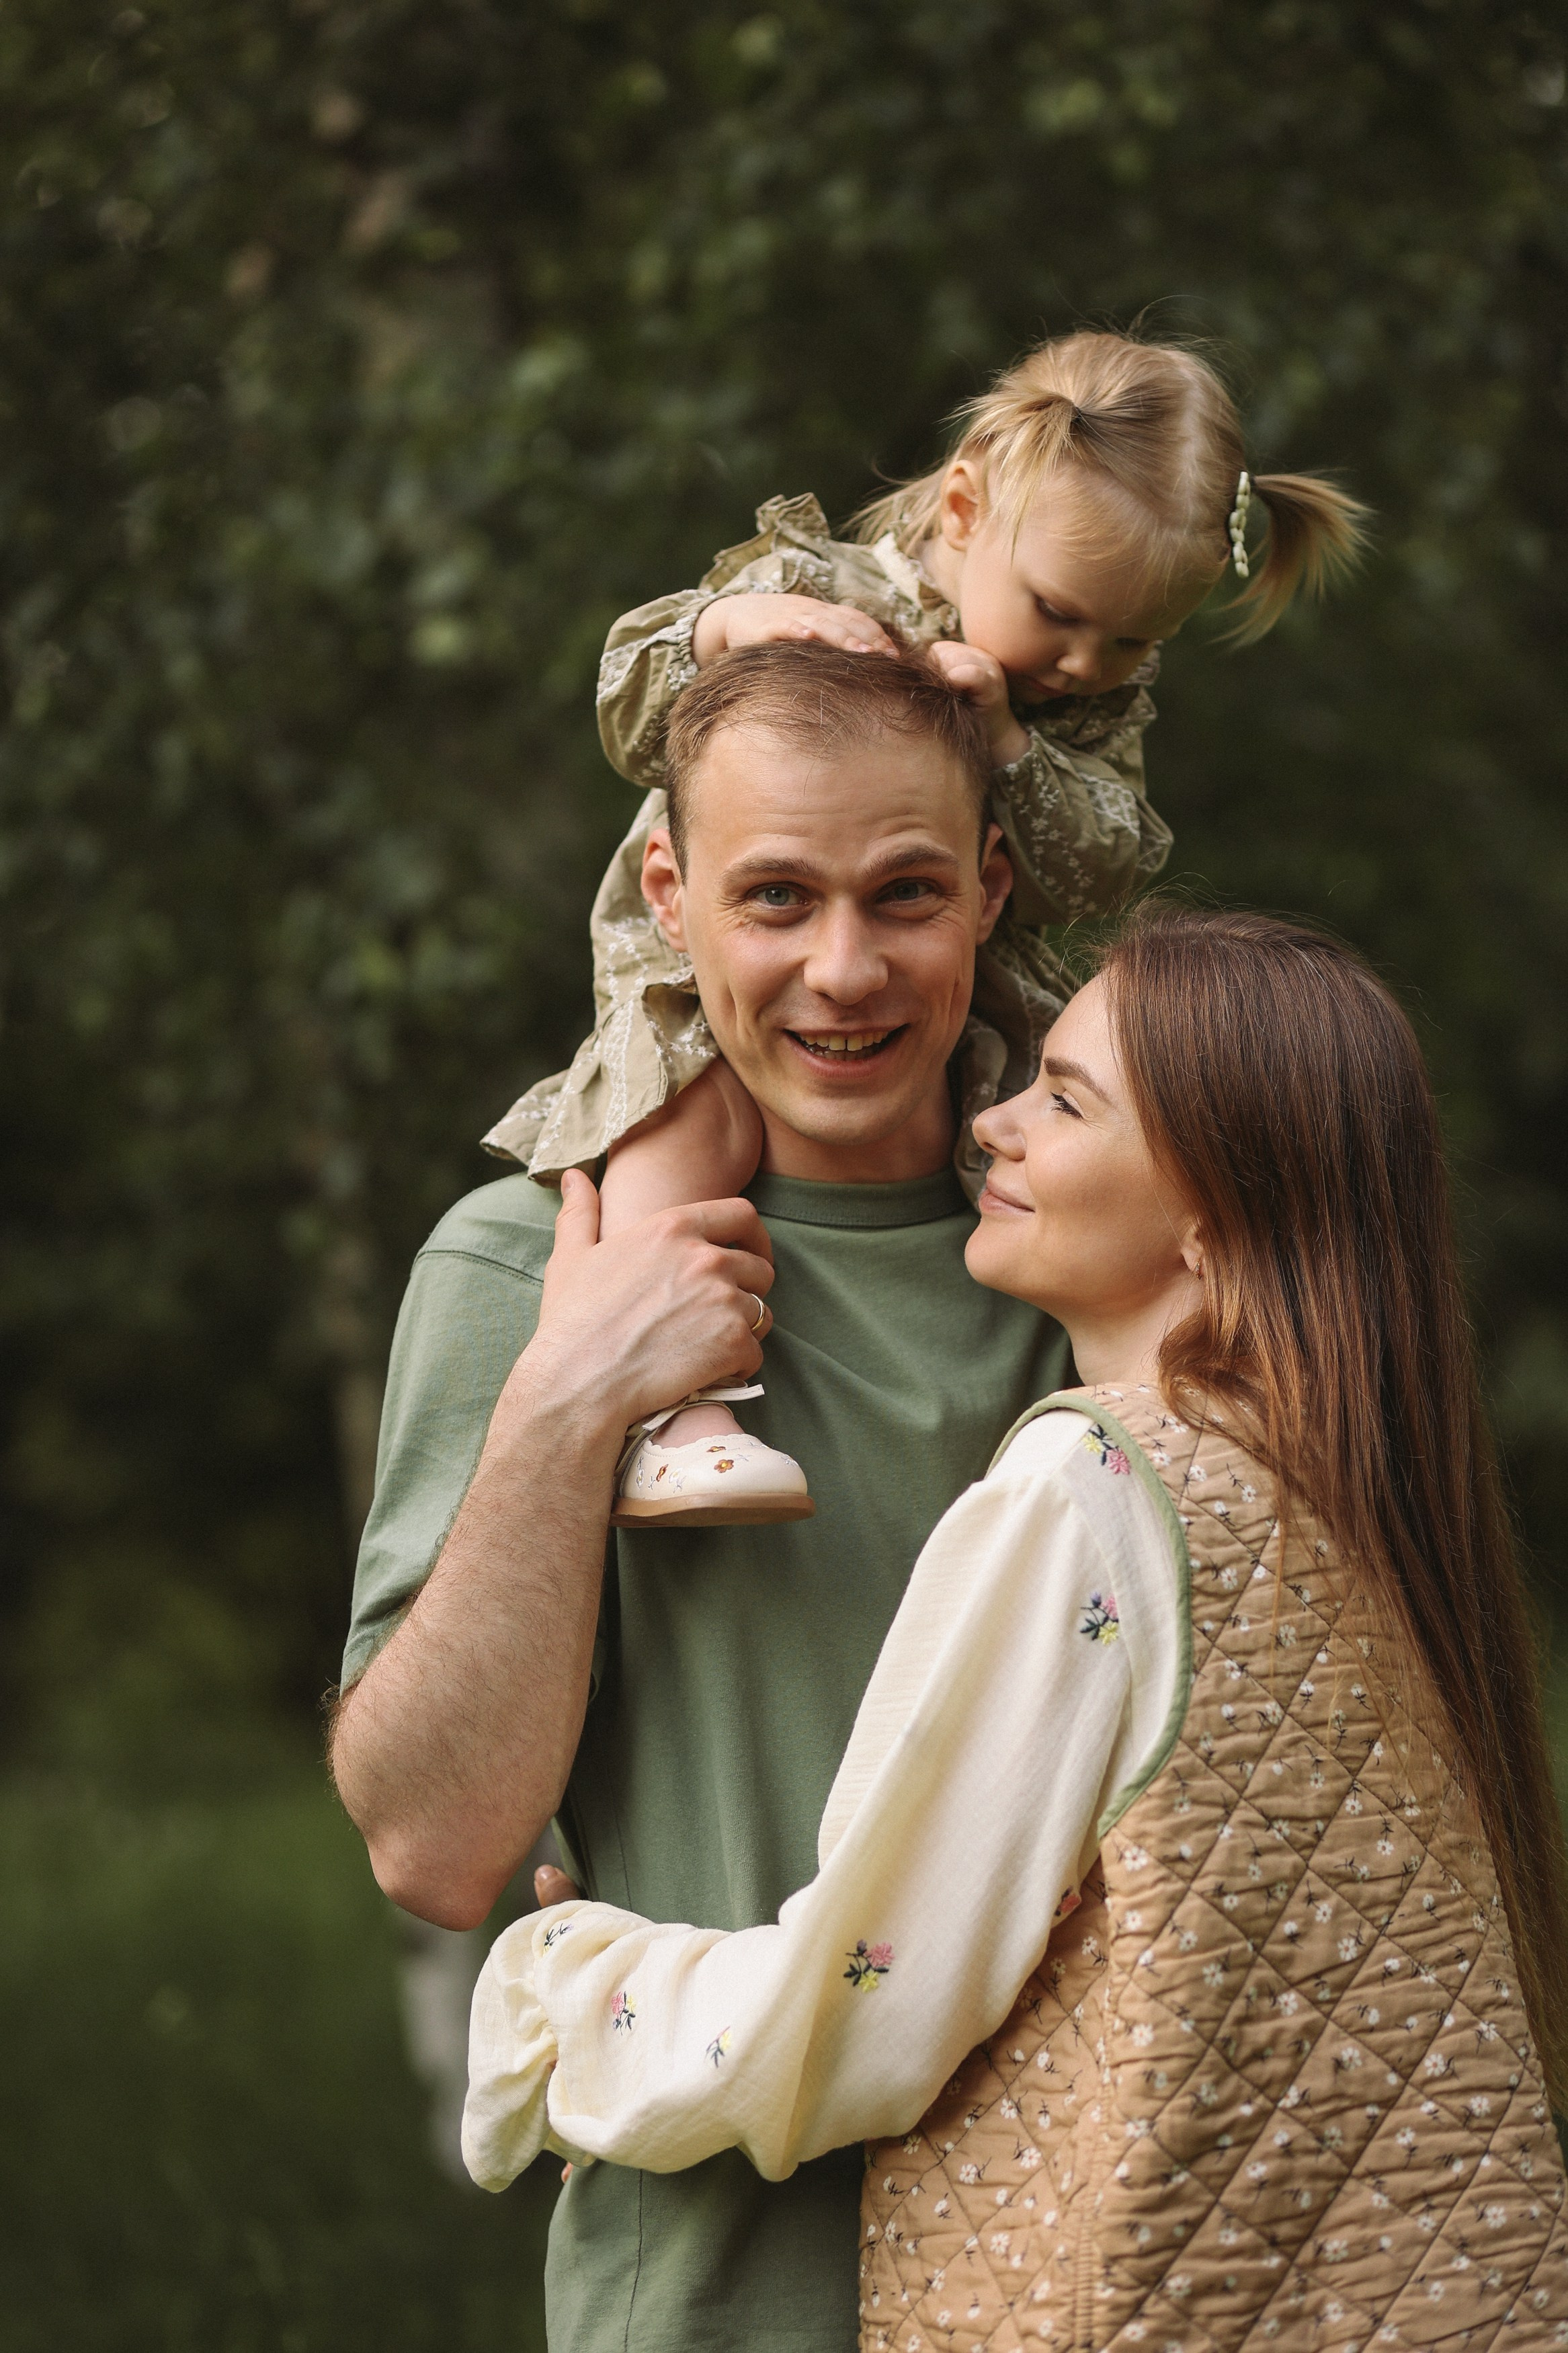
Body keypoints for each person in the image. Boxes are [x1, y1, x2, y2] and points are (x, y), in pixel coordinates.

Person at [463, 905, 1568, 2350]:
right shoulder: (1352, 1499)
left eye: (1064, 1099)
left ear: (1212, 1212)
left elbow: (862, 2006)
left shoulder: (1091, 1490)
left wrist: (562, 1999)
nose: (994, 1122)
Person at [329, 639, 1071, 2353]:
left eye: (905, 894)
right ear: (666, 895)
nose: (843, 968)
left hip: (1103, 2256)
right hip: (724, 2298)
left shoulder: (1090, 1256)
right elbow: (437, 1849)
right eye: (774, 897)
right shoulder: (523, 1261)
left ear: (993, 889)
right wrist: (580, 1387)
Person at [484, 328, 1369, 1525]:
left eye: (1130, 641)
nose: (1081, 660)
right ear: (962, 508)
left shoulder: (1076, 709)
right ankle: (671, 1410)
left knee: (1074, 1139)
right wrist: (722, 640)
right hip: (699, 977)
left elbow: (1106, 862)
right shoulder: (810, 590)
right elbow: (628, 701)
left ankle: (1162, 1413)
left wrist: (1010, 742)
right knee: (679, 1116)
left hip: (965, 992)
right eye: (1060, 614)